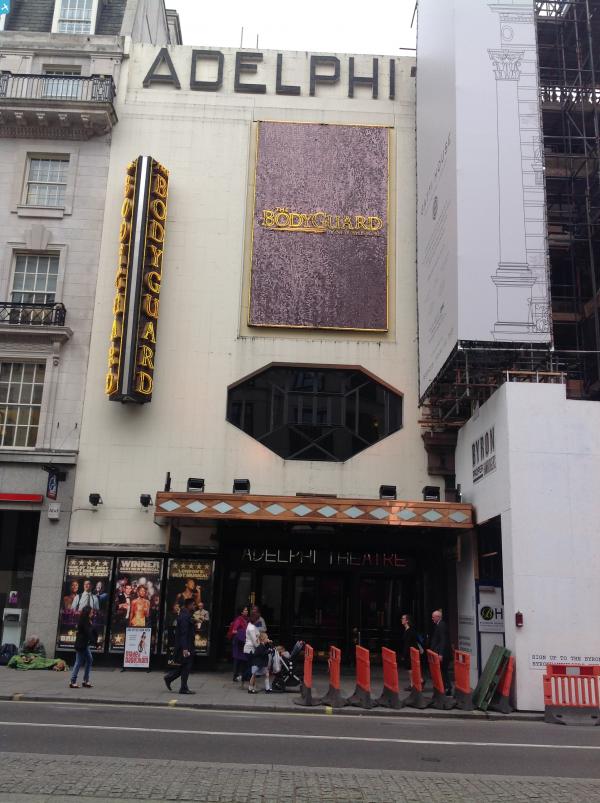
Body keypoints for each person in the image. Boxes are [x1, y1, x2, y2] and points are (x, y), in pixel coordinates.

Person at [164, 597, 196, 695]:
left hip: (186, 645)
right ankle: (183, 688)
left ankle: (169, 678)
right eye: (193, 605)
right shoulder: (185, 616)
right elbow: (183, 633)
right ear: (189, 605)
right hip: (185, 646)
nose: (194, 606)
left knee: (184, 666)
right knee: (186, 666)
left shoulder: (186, 615)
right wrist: (185, 648)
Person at [69, 605, 96, 688]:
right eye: (91, 612)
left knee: (89, 659)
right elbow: (88, 632)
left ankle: (85, 680)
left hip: (85, 644)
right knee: (78, 662)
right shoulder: (83, 620)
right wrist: (94, 642)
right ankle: (73, 681)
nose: (92, 613)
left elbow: (91, 631)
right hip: (81, 644)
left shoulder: (88, 620)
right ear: (88, 612)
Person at [430, 609, 452, 695]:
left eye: (433, 617)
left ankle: (447, 688)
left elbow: (443, 640)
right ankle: (446, 687)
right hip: (442, 653)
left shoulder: (441, 625)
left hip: (443, 654)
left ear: (438, 617)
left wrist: (441, 654)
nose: (432, 618)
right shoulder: (439, 625)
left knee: (443, 671)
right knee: (443, 671)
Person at [230, 606, 249, 681]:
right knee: (237, 659)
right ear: (241, 612)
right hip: (238, 642)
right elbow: (234, 631)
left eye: (247, 610)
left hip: (243, 642)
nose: (247, 611)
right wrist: (242, 634)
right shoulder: (239, 620)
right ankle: (235, 676)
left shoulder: (246, 620)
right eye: (245, 610)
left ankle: (244, 675)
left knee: (243, 659)